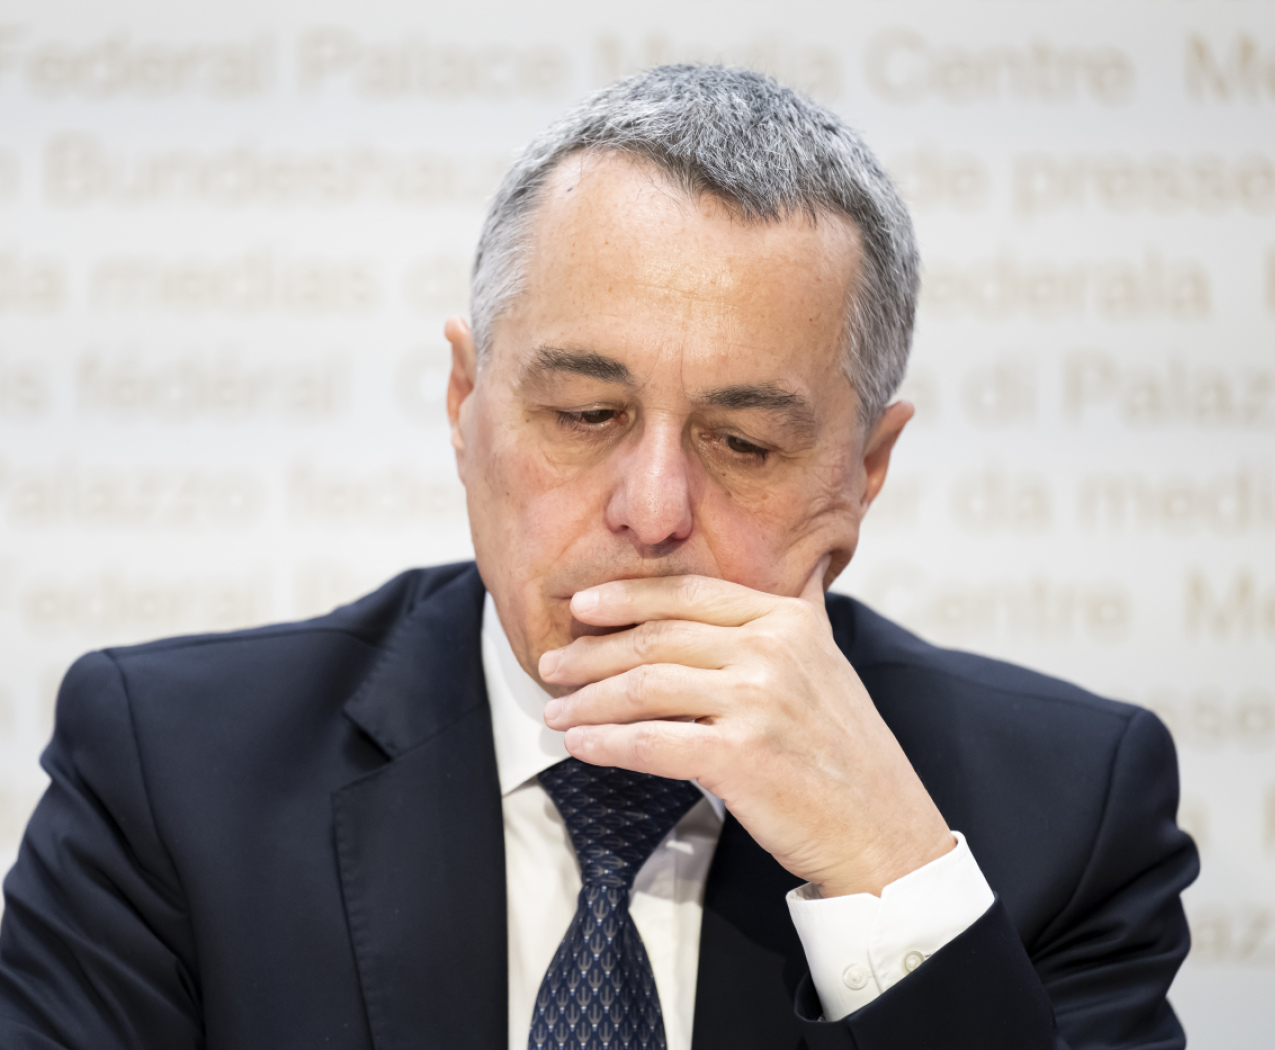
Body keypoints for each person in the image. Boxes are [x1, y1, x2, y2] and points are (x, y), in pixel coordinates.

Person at [0, 65, 1197, 1050]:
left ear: (864, 470)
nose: (652, 510)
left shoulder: (1066, 813)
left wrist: (886, 875)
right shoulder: (171, 773)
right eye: (584, 415)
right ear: (465, 404)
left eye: (742, 443)